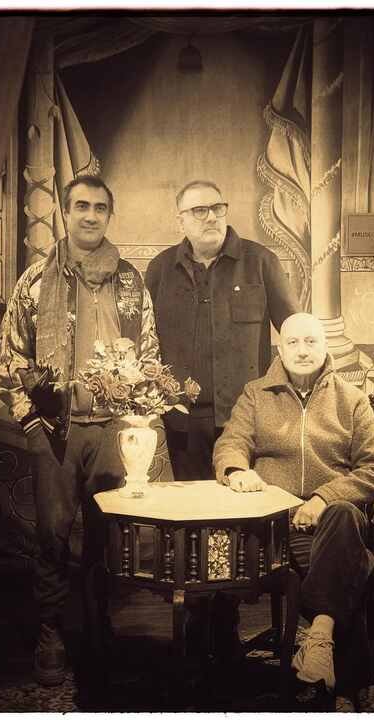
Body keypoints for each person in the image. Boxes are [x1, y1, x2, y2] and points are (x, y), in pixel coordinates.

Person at [0, 174, 173, 687]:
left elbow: (149, 353)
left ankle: (99, 625)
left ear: (109, 215)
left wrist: (138, 417)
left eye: (99, 207)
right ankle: (51, 630)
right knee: (53, 533)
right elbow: (11, 360)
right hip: (56, 429)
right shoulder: (34, 281)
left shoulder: (130, 282)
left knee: (106, 534)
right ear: (65, 213)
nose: (90, 215)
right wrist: (33, 420)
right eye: (81, 206)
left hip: (114, 429)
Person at [145, 180, 299, 659]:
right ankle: (196, 618)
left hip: (243, 424)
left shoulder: (260, 262)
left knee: (233, 525)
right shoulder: (159, 270)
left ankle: (226, 622)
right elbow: (142, 342)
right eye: (198, 210)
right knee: (191, 523)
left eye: (217, 207)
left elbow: (295, 333)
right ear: (180, 219)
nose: (210, 216)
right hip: (183, 423)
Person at [212, 312, 374, 698]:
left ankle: (319, 638)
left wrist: (323, 498)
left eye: (311, 341)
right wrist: (236, 469)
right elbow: (231, 442)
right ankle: (328, 656)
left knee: (343, 517)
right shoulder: (255, 394)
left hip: (330, 527)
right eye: (293, 342)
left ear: (325, 346)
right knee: (349, 564)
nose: (302, 350)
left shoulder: (352, 401)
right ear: (280, 349)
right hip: (271, 524)